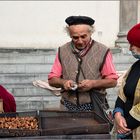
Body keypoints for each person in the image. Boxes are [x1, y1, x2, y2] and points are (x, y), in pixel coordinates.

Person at [48, 15, 118, 112]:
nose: (80, 41)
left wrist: (93, 83)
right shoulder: (62, 50)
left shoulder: (103, 50)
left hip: (94, 107)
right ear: (70, 35)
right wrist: (63, 83)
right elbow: (52, 79)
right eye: (75, 37)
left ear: (91, 33)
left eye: (83, 36)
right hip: (67, 106)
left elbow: (113, 81)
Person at [113, 23, 140, 140]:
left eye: (132, 44)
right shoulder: (136, 66)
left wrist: (124, 126)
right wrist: (118, 114)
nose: (129, 48)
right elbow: (122, 92)